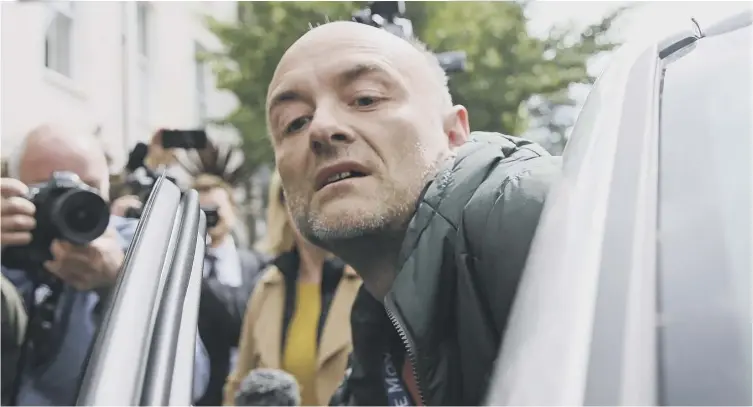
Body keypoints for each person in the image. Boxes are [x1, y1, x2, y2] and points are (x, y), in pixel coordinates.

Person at [266, 21, 562, 405]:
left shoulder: (537, 215)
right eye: (294, 122)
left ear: (454, 132)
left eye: (366, 98)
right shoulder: (375, 341)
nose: (320, 128)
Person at [0, 123, 210, 405]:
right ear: (16, 190)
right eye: (48, 190)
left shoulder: (143, 246)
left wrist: (120, 283)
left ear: (108, 189)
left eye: (87, 189)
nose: (69, 204)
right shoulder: (7, 242)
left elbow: (189, 380)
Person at [223, 171, 362, 406]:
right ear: (283, 207)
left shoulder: (366, 281)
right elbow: (239, 384)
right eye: (297, 195)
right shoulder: (268, 287)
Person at [193, 173, 269, 406]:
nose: (209, 217)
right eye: (201, 211)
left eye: (215, 209)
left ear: (233, 211)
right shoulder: (181, 267)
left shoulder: (260, 267)